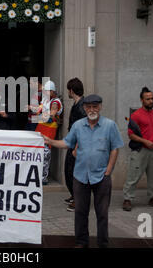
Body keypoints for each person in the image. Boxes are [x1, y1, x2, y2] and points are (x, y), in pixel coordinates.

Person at [44, 95, 123, 248]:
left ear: (100, 107)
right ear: (84, 108)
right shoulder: (78, 126)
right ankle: (81, 242)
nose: (92, 109)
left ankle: (103, 243)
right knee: (80, 212)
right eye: (88, 107)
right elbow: (67, 143)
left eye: (95, 106)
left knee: (102, 214)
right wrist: (50, 141)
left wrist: (108, 170)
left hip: (101, 176)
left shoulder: (109, 125)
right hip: (80, 176)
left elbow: (115, 148)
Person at [123, 87, 153, 211]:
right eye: (148, 99)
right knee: (133, 175)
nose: (151, 101)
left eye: (152, 98)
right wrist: (145, 141)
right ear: (142, 100)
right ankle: (127, 199)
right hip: (140, 150)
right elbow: (130, 134)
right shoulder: (136, 115)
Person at [29, 80, 63, 185]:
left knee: (45, 153)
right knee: (38, 152)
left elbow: (51, 115)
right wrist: (32, 108)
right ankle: (36, 175)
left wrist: (39, 112)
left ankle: (43, 177)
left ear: (52, 91)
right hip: (41, 128)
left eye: (48, 91)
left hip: (49, 130)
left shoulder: (55, 102)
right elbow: (39, 109)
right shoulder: (46, 100)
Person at [63, 78, 86, 211]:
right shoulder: (77, 104)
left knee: (73, 172)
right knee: (69, 171)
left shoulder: (82, 107)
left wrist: (77, 147)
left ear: (71, 91)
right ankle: (74, 195)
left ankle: (78, 200)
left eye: (68, 90)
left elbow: (83, 129)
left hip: (77, 145)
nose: (68, 92)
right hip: (73, 143)